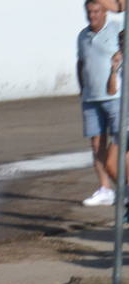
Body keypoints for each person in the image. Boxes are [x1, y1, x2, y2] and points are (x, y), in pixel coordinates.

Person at [78, 0, 124, 206]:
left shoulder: (117, 29)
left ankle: (125, 187)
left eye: (96, 11)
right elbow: (81, 63)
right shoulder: (83, 35)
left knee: (120, 147)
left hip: (115, 98)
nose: (92, 16)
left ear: (105, 12)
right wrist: (82, 89)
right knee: (97, 146)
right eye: (89, 12)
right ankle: (105, 189)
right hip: (91, 99)